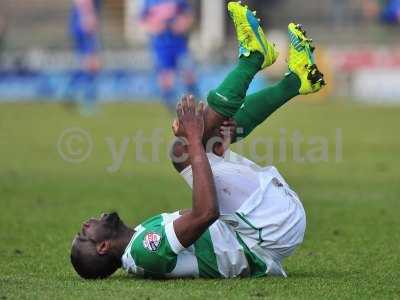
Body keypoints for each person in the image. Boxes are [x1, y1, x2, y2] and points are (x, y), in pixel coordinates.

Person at [70, 2, 325, 279]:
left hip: (266, 226)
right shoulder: (144, 250)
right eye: (84, 235)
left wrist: (209, 147)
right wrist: (193, 135)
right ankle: (252, 59)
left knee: (200, 147)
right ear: (103, 247)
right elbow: (206, 213)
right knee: (183, 151)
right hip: (269, 231)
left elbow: (204, 210)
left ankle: (294, 81)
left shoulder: (140, 238)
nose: (85, 225)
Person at [140, 0, 199, 111]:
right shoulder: (149, 2)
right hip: (161, 45)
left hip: (179, 44)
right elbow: (143, 21)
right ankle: (171, 106)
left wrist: (183, 24)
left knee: (189, 74)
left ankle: (195, 102)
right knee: (166, 78)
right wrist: (154, 27)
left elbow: (189, 16)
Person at [67, 0, 102, 114]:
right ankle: (87, 101)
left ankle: (71, 90)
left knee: (88, 62)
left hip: (80, 20)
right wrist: (88, 16)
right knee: (92, 63)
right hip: (84, 21)